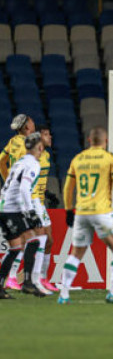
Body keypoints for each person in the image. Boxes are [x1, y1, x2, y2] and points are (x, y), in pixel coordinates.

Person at [59, 127, 113, 305]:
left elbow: (67, 188)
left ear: (89, 140)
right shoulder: (109, 158)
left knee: (76, 254)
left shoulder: (77, 159)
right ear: (106, 141)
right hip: (102, 212)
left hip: (81, 212)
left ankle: (63, 295)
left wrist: (68, 209)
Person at [0, 132, 47, 298]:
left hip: (4, 207)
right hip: (11, 210)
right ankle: (28, 283)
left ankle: (2, 285)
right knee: (34, 241)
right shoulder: (33, 164)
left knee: (15, 248)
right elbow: (24, 189)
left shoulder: (19, 162)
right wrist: (30, 212)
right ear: (40, 147)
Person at [0, 114, 36, 291]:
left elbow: (1, 161)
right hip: (19, 198)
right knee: (25, 239)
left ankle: (11, 277)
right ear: (27, 127)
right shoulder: (28, 146)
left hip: (9, 196)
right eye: (32, 122)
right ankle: (11, 276)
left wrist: (7, 180)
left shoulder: (13, 142)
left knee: (22, 239)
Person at [30, 125, 57, 293]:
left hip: (40, 202)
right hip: (31, 202)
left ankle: (41, 277)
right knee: (35, 240)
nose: (50, 137)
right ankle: (31, 278)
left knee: (49, 241)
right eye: (46, 134)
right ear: (39, 137)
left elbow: (39, 180)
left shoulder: (46, 155)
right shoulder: (33, 156)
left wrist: (47, 193)